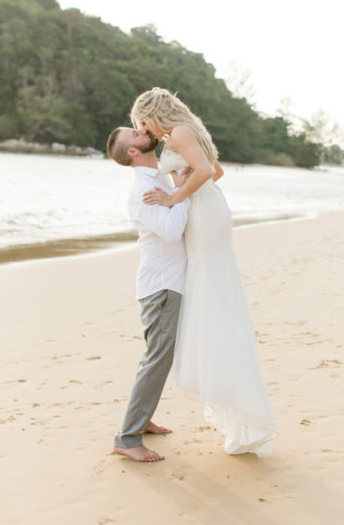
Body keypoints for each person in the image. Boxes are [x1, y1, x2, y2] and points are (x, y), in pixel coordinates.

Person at [130, 87, 278, 455]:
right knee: (213, 293)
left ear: (150, 117)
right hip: (209, 211)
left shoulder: (179, 132)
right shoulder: (187, 129)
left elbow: (208, 170)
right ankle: (234, 399)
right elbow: (216, 172)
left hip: (205, 217)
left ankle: (237, 398)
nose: (143, 131)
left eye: (141, 124)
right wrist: (190, 187)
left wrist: (173, 196)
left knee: (212, 296)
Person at [106, 126, 190, 462]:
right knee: (157, 358)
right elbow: (170, 231)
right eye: (136, 132)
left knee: (158, 357)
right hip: (162, 286)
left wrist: (178, 189)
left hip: (167, 282)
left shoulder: (157, 178)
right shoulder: (143, 186)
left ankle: (143, 420)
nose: (143, 129)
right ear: (132, 152)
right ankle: (127, 438)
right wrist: (182, 191)